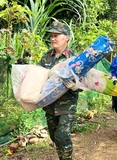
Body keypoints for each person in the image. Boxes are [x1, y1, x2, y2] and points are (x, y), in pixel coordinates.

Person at [39, 21, 80, 160]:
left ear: (66, 37)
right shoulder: (46, 57)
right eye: (51, 36)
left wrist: (76, 86)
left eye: (56, 35)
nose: (53, 38)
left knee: (62, 135)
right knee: (54, 136)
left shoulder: (74, 58)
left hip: (67, 105)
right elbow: (39, 76)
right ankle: (62, 157)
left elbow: (85, 80)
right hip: (50, 105)